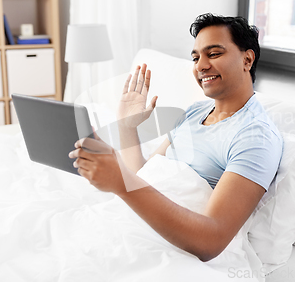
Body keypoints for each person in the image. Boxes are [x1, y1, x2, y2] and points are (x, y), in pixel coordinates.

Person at [68, 13, 283, 262]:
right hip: (139, 224)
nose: (201, 65)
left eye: (213, 54)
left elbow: (210, 241)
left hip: (172, 250)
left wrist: (121, 183)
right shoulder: (194, 112)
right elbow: (146, 177)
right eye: (195, 57)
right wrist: (128, 128)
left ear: (247, 59)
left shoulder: (255, 137)